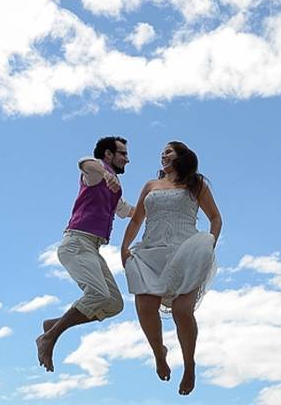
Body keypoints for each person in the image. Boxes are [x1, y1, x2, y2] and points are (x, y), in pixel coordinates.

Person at [121, 141, 222, 396]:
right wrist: (124, 247)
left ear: (182, 156)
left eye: (168, 150)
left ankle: (189, 365)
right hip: (151, 252)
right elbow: (136, 220)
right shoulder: (150, 186)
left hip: (186, 251)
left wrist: (209, 244)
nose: (163, 154)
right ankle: (159, 353)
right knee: (145, 306)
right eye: (162, 152)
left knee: (182, 310)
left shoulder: (196, 184)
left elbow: (215, 217)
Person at [36, 136, 135, 372]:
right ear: (108, 155)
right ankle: (50, 337)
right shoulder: (94, 175)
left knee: (114, 304)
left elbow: (128, 211)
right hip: (76, 243)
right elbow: (84, 162)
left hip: (92, 248)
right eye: (122, 153)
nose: (127, 159)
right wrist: (105, 172)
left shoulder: (115, 189)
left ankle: (55, 325)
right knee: (98, 294)